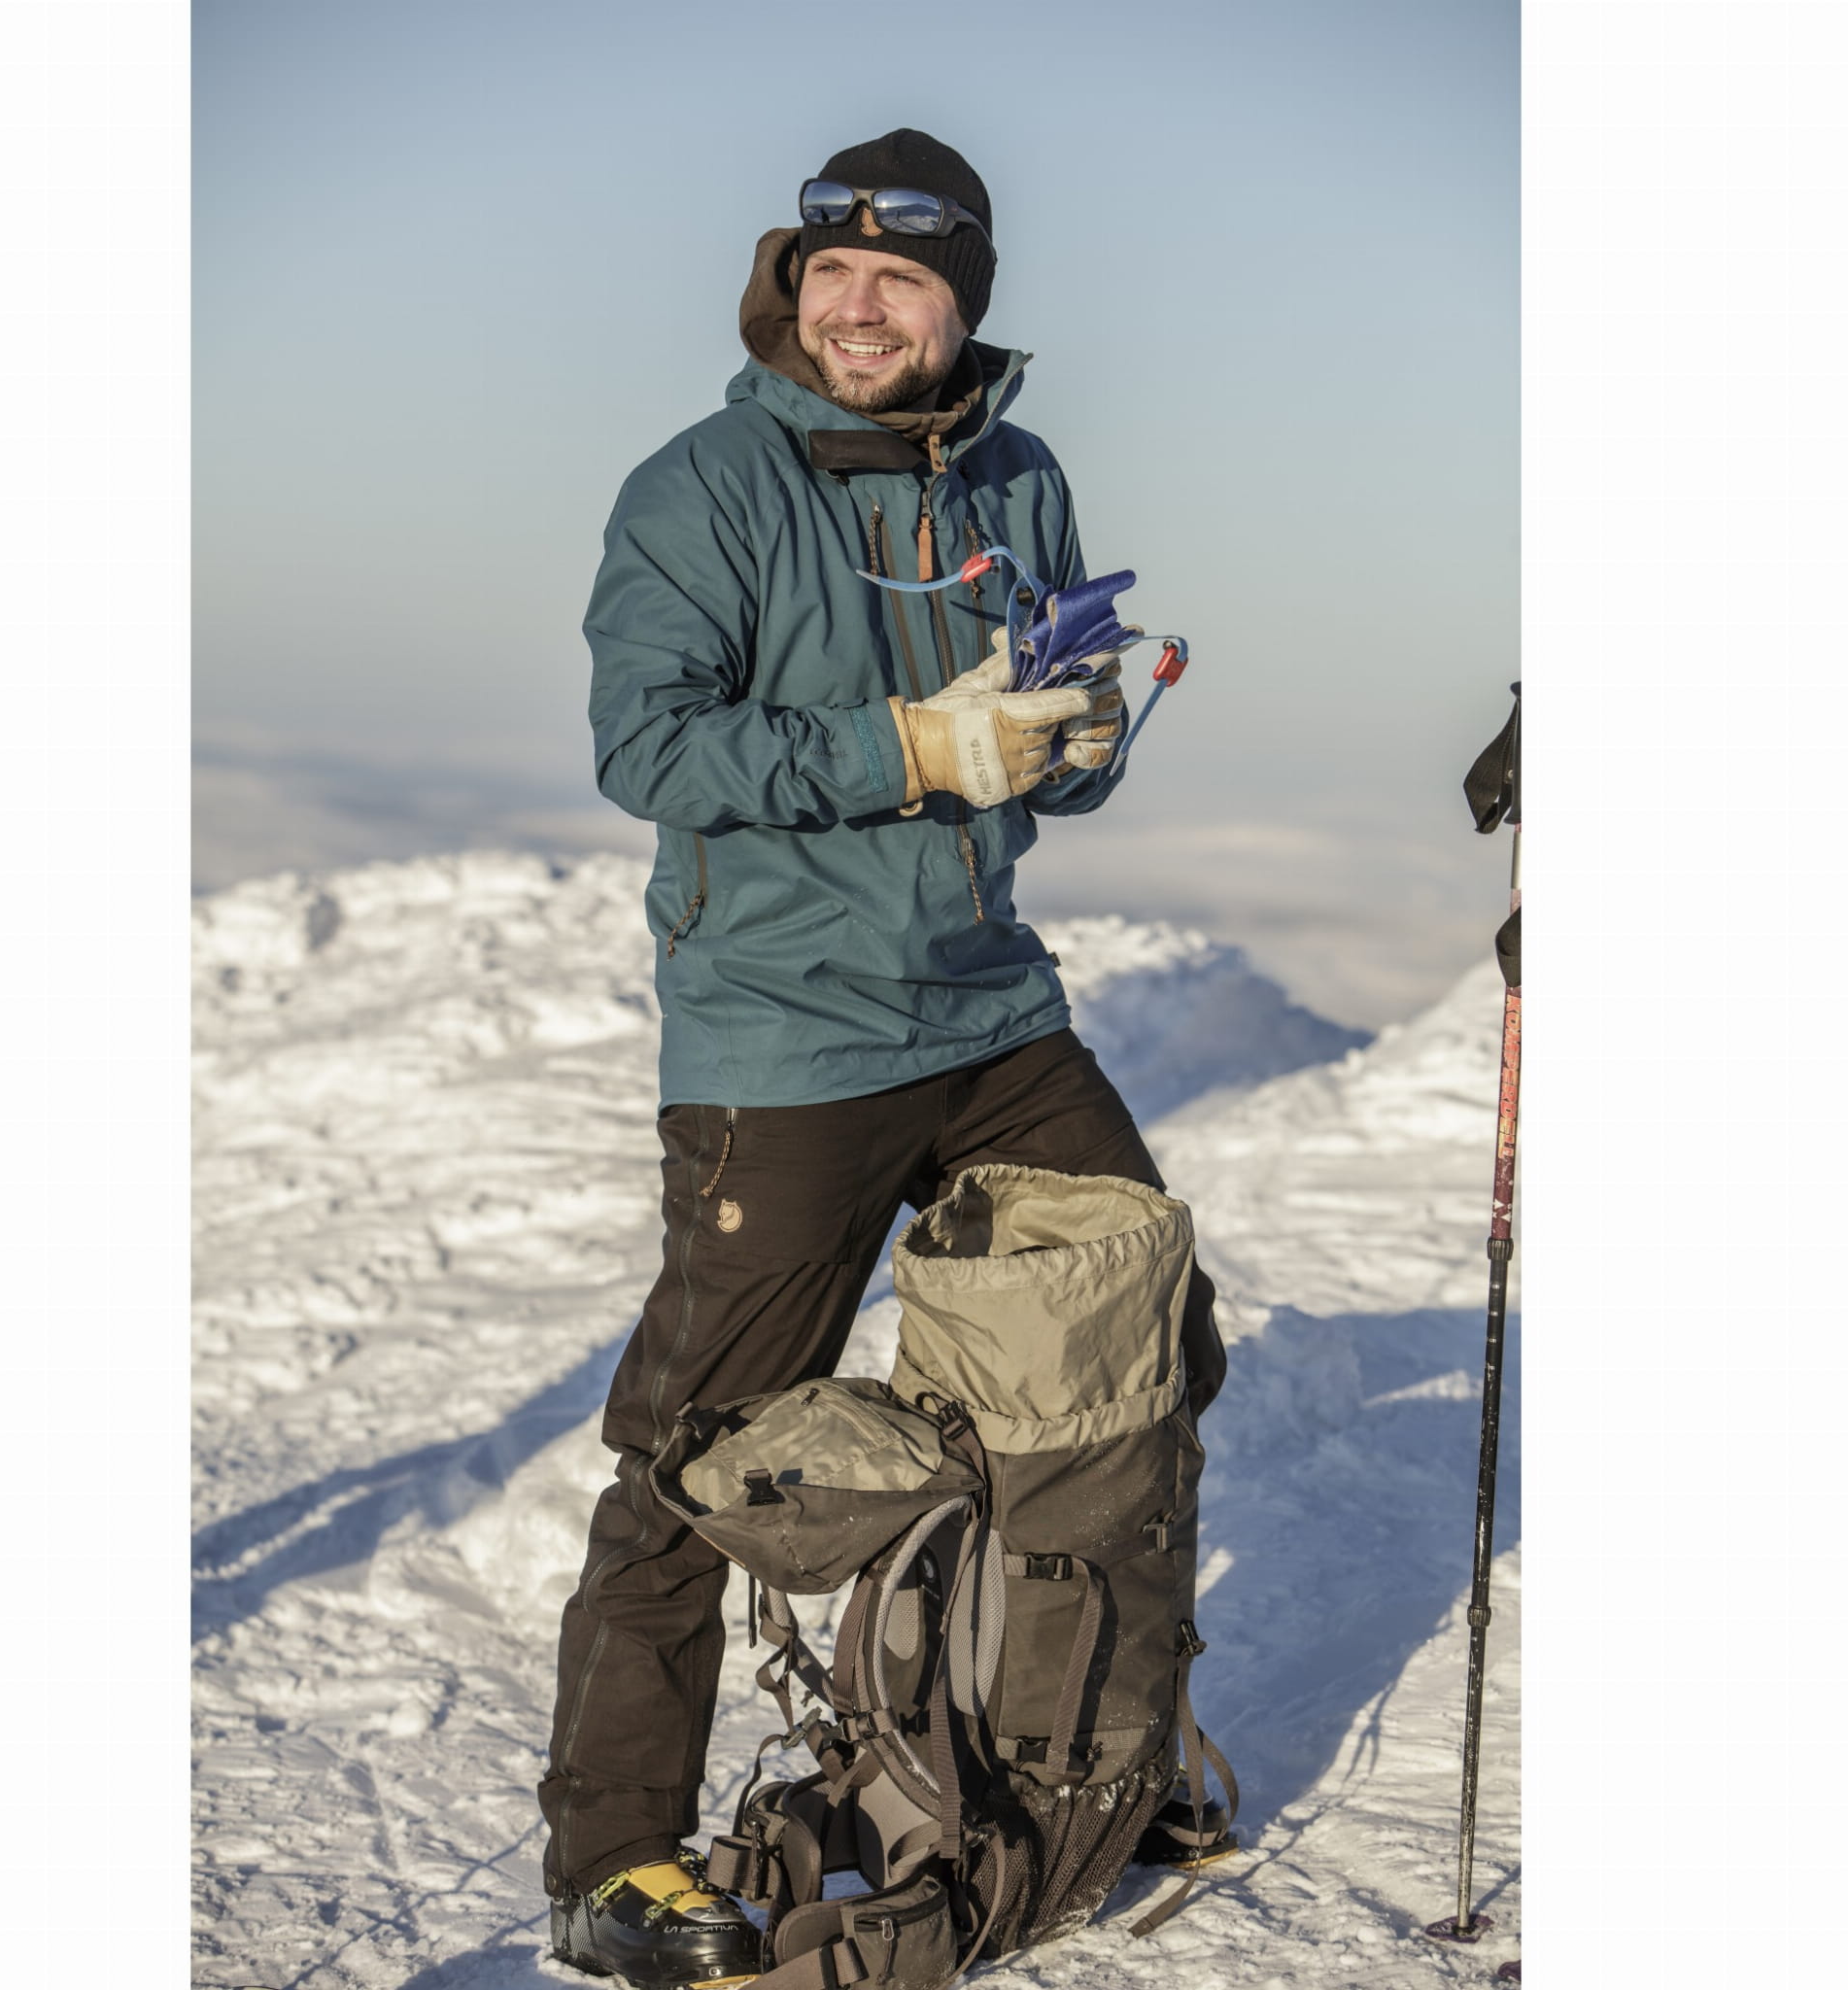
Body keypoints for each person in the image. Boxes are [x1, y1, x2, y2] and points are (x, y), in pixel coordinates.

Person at [542, 128, 1215, 1990]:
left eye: (899, 281)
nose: (855, 307)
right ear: (789, 288)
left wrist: (1073, 733)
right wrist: (913, 747)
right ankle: (612, 1863)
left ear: (959, 306)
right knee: (697, 1448)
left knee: (1139, 1344)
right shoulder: (703, 490)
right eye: (827, 273)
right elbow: (649, 747)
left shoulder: (1018, 473)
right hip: (786, 1035)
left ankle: (1075, 1756)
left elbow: (1047, 748)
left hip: (989, 1009)